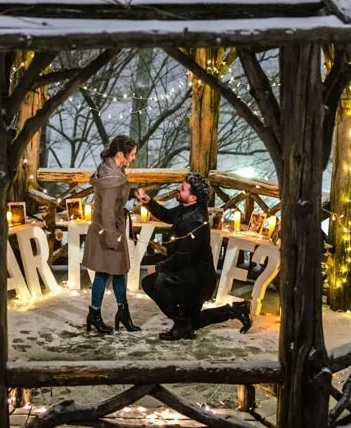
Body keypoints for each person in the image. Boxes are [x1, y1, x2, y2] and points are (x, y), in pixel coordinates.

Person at [135, 173, 252, 340]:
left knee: (156, 281)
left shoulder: (196, 221)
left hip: (197, 280)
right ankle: (234, 311)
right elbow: (167, 215)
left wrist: (158, 267)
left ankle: (182, 323)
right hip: (187, 274)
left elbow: (182, 256)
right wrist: (149, 201)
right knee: (192, 321)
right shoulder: (188, 208)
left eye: (183, 189)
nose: (178, 189)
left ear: (193, 197)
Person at [81, 135, 140, 333]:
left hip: (113, 228)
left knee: (119, 272)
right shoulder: (111, 179)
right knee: (104, 273)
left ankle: (121, 313)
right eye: (131, 155)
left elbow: (117, 196)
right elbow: (107, 211)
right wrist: (112, 238)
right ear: (120, 154)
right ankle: (96, 314)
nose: (133, 158)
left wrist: (133, 193)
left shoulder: (113, 170)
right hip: (108, 231)